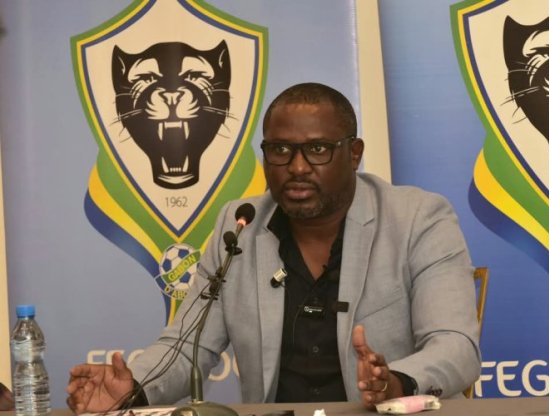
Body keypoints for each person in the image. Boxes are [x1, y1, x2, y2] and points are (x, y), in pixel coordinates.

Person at [67, 82, 480, 412]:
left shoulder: (417, 219)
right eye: (280, 150)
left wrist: (396, 383)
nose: (297, 167)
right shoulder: (240, 225)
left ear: (354, 154)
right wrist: (134, 388)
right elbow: (188, 346)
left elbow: (455, 345)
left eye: (317, 149)